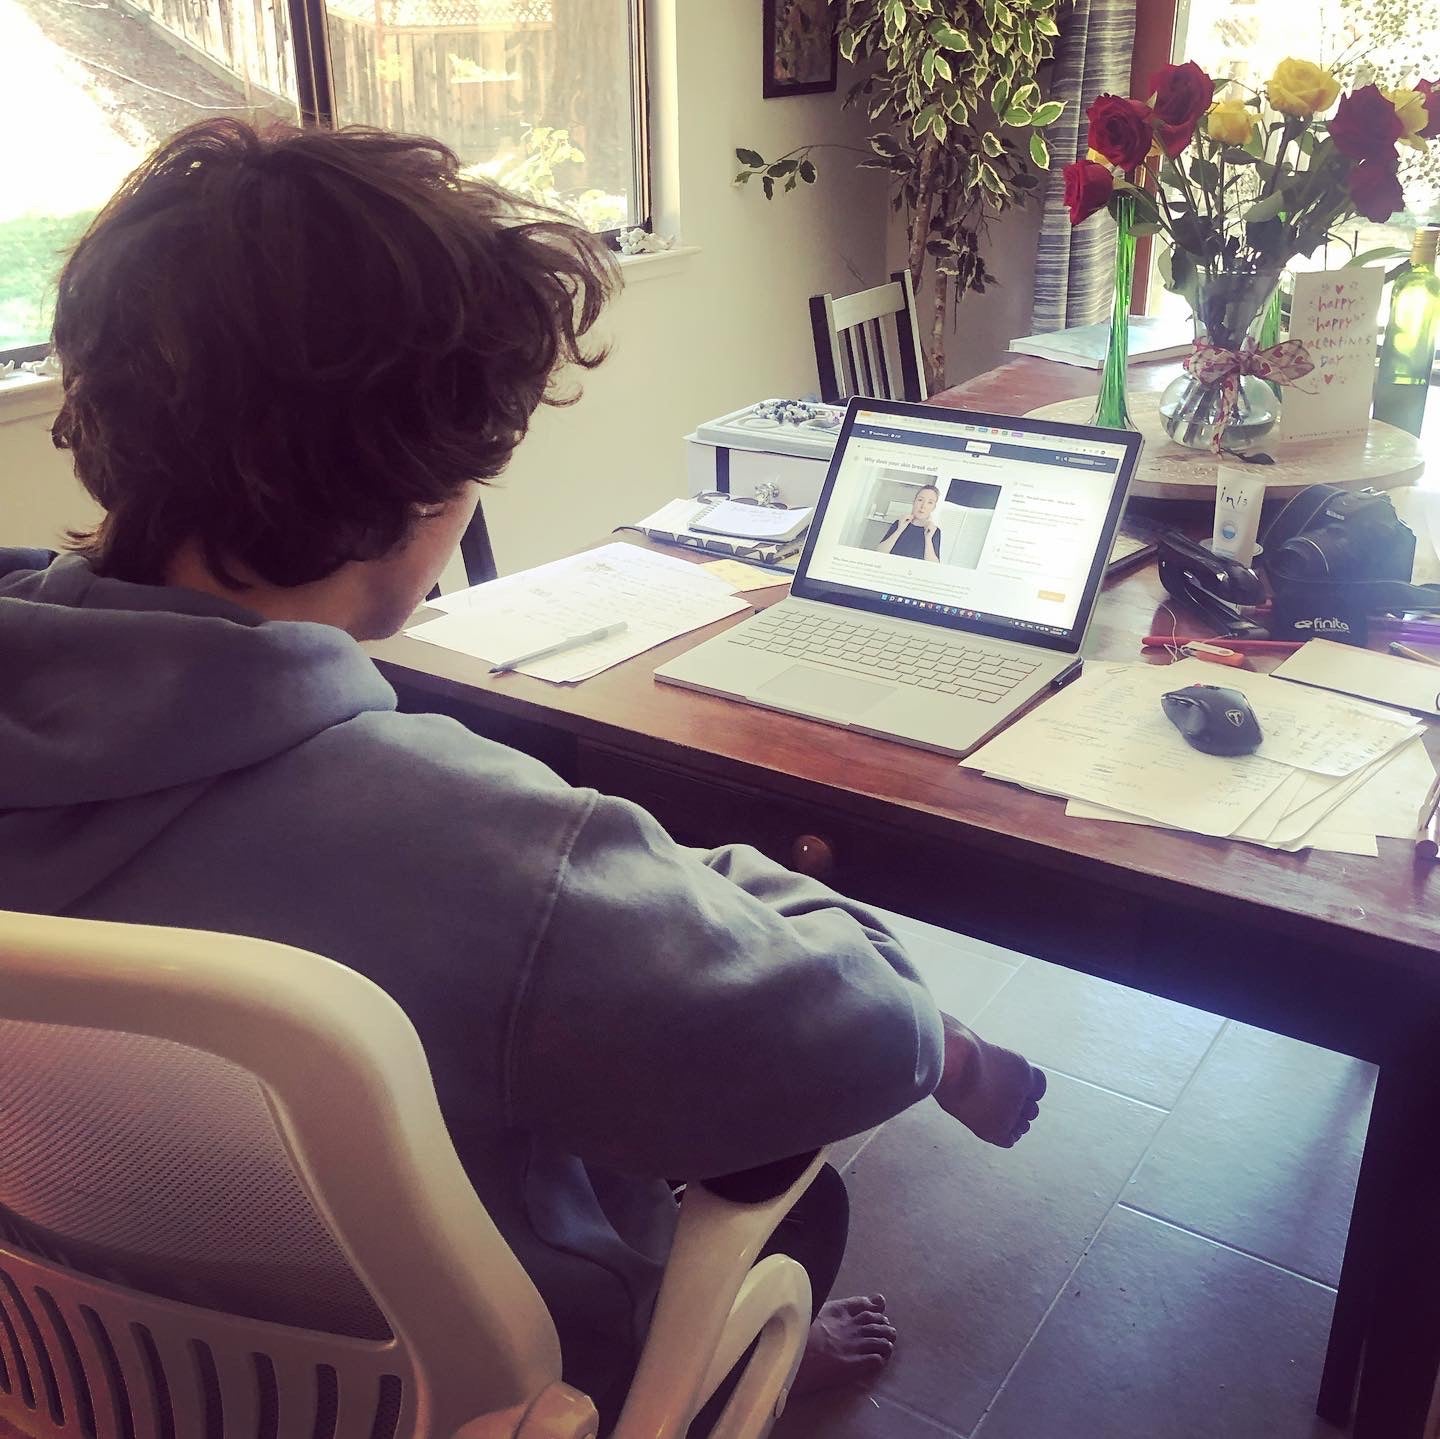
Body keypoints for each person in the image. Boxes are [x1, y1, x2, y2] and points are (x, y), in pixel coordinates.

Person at [0, 119, 1044, 1424]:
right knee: (802, 1192)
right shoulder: (492, 851)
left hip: (79, 1368)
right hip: (467, 1393)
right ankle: (726, 1368)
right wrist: (699, 875)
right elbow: (868, 1034)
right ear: (429, 493)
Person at [875, 483, 943, 562]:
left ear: (933, 507)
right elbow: (879, 552)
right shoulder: (900, 523)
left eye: (930, 502)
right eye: (920, 500)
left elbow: (933, 565)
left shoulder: (934, 531)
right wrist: (900, 529)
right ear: (914, 502)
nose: (923, 506)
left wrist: (928, 538)